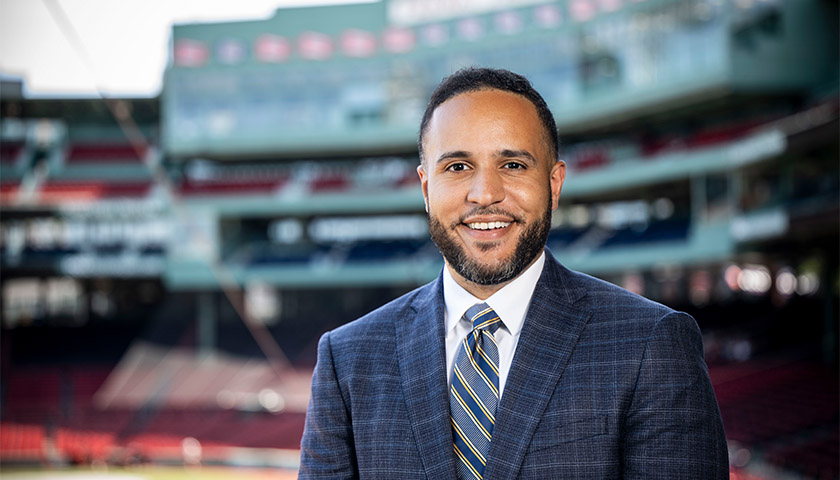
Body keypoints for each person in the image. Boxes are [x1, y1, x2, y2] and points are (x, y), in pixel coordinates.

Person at [298, 67, 728, 479]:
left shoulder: (652, 344)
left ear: (554, 184)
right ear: (427, 189)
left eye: (514, 165)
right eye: (457, 167)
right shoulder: (347, 359)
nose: (485, 194)